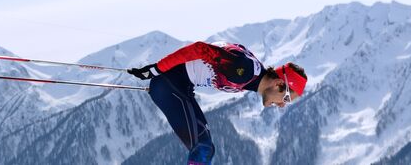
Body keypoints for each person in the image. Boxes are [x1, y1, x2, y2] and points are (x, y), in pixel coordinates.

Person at [127, 41, 307, 165]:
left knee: (205, 147)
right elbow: (199, 49)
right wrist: (157, 69)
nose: (283, 105)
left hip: (177, 87)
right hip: (168, 85)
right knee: (203, 148)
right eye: (286, 98)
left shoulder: (252, 73)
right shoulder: (245, 71)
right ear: (278, 84)